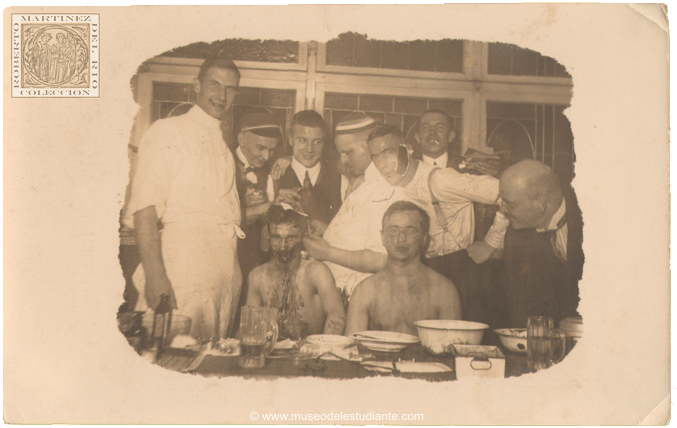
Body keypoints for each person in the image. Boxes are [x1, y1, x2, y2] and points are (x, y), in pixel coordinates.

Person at [124, 53, 243, 339]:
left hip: (223, 277)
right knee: (170, 360)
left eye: (230, 89)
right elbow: (145, 208)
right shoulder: (168, 131)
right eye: (215, 85)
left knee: (208, 369)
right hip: (182, 271)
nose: (222, 95)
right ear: (196, 85)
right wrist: (155, 276)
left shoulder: (225, 149)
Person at [366, 125, 507, 324]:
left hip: (459, 271)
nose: (382, 164)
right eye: (375, 157)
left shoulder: (440, 181)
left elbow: (507, 192)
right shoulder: (393, 186)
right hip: (423, 269)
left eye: (387, 153)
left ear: (407, 149)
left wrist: (491, 242)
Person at [303, 112, 405, 303]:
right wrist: (327, 232)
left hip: (358, 297)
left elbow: (382, 259)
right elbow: (359, 238)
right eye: (340, 152)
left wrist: (327, 253)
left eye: (348, 152)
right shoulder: (363, 183)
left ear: (370, 146)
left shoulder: (385, 188)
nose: (343, 160)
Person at [344, 201, 462, 336]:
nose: (401, 238)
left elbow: (452, 349)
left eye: (410, 231)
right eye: (393, 231)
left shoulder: (444, 290)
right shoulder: (365, 291)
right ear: (382, 237)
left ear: (424, 239)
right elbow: (351, 350)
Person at [497, 159, 583, 327]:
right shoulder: (516, 237)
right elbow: (523, 308)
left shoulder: (598, 219)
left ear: (540, 203)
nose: (502, 209)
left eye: (510, 204)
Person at [246, 205, 346, 339]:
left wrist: (319, 348)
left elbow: (337, 316)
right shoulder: (257, 276)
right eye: (276, 237)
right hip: (271, 353)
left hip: (309, 353)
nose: (283, 246)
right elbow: (250, 326)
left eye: (290, 238)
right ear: (268, 237)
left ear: (302, 237)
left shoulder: (316, 271)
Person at [272, 110, 342, 236]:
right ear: (291, 139)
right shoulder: (274, 177)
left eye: (317, 142)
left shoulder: (341, 181)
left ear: (324, 142)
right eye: (302, 140)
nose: (310, 149)